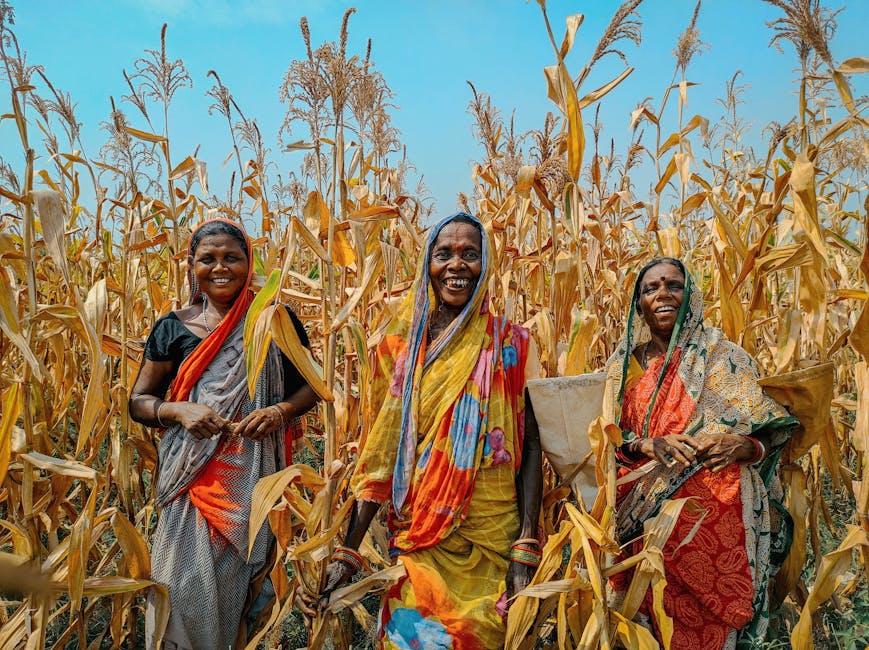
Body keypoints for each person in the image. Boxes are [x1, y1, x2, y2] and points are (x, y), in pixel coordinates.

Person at [315, 212, 543, 649]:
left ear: (487, 265)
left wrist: (526, 544)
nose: (457, 265)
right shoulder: (399, 346)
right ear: (427, 264)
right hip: (419, 534)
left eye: (470, 255)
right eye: (444, 254)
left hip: (492, 538)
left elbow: (531, 446)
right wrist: (348, 551)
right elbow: (380, 453)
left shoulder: (512, 343)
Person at [129, 219, 319, 650]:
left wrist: (279, 411)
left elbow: (312, 385)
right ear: (191, 265)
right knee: (179, 589)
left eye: (231, 257)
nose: (220, 268)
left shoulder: (275, 320)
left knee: (249, 592)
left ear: (248, 262)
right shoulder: (173, 327)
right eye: (207, 259)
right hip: (189, 485)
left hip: (254, 484)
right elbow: (138, 401)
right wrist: (178, 410)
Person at [607, 257, 798, 649]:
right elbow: (599, 443)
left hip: (720, 530)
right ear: (637, 304)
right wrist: (644, 444)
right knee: (649, 625)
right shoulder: (620, 369)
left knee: (717, 628)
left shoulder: (726, 358)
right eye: (650, 288)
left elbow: (770, 436)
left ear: (690, 295)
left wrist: (744, 445)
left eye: (673, 285)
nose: (662, 294)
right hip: (644, 529)